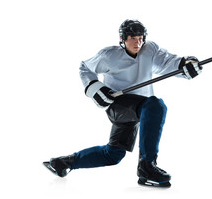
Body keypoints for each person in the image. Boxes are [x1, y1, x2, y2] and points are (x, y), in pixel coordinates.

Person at [43, 19, 202, 187]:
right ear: (123, 39)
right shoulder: (109, 56)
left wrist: (184, 64)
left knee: (113, 155)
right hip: (117, 105)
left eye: (140, 37)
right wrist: (95, 88)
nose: (137, 42)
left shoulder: (150, 50)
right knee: (156, 105)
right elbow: (85, 67)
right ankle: (147, 165)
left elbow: (168, 62)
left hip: (140, 109)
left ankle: (62, 163)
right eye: (132, 38)